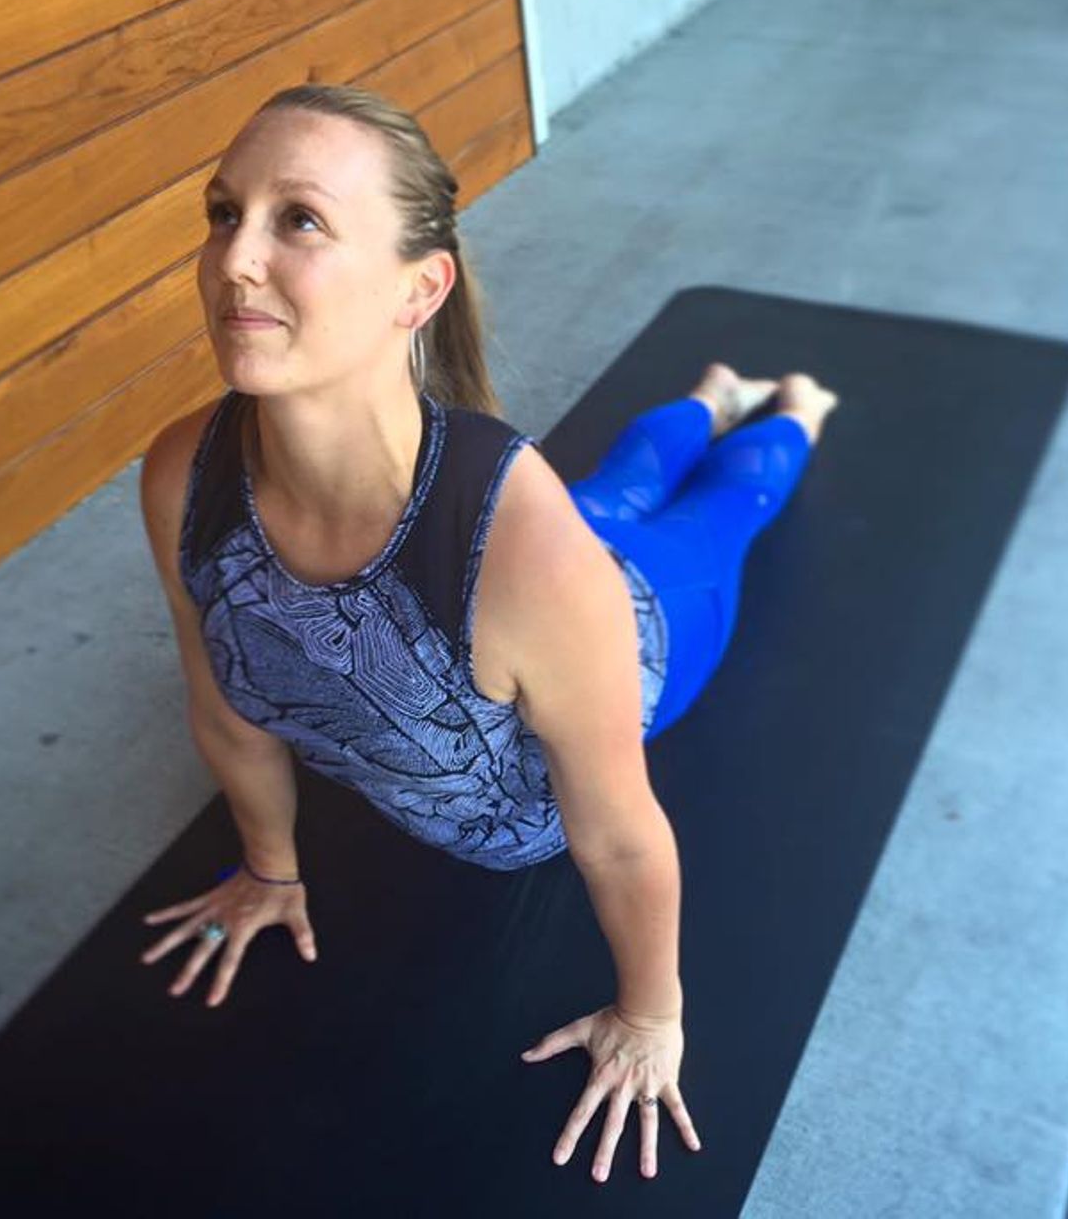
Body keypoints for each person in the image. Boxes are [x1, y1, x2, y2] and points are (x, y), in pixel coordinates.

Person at [133, 83, 837, 1184]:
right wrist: (270, 868)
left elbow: (616, 834)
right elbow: (222, 705)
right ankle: (706, 392)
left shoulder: (528, 554)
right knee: (620, 480)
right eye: (225, 212)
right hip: (544, 565)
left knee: (717, 512)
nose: (233, 260)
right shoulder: (186, 473)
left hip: (635, 619)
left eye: (299, 220)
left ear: (419, 288)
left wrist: (652, 1014)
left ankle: (792, 406)